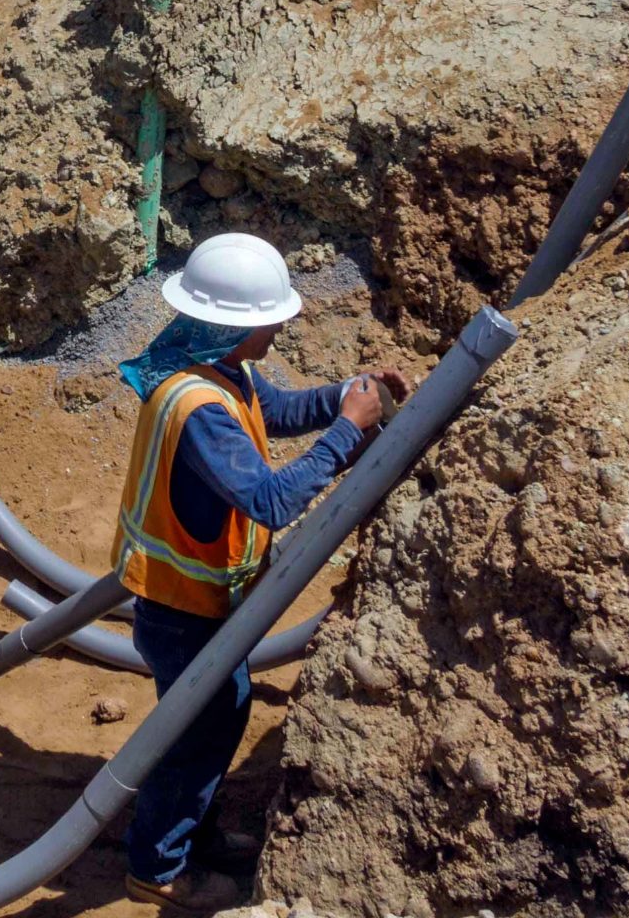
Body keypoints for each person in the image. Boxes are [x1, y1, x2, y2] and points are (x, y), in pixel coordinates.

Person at [112, 233, 409, 913]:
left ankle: (195, 833)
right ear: (235, 325)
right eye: (271, 319)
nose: (279, 328)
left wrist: (349, 396)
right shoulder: (199, 410)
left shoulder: (218, 368)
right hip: (182, 607)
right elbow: (271, 502)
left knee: (217, 719)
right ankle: (157, 866)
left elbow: (274, 412)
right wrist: (347, 432)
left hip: (203, 602)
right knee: (195, 732)